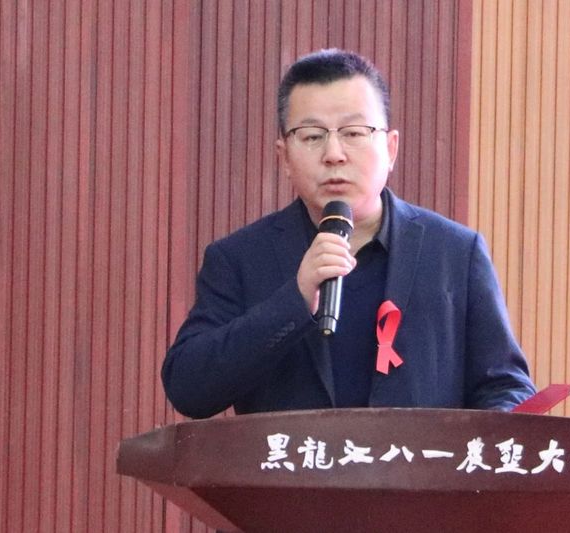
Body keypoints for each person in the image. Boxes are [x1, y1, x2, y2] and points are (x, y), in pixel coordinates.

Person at [161, 49, 535, 419]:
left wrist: (490, 431)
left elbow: (505, 386)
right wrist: (294, 299)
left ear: (391, 149)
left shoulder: (455, 252)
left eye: (354, 133)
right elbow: (188, 388)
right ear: (284, 157)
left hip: (418, 460)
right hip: (294, 461)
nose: (334, 154)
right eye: (312, 136)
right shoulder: (240, 258)